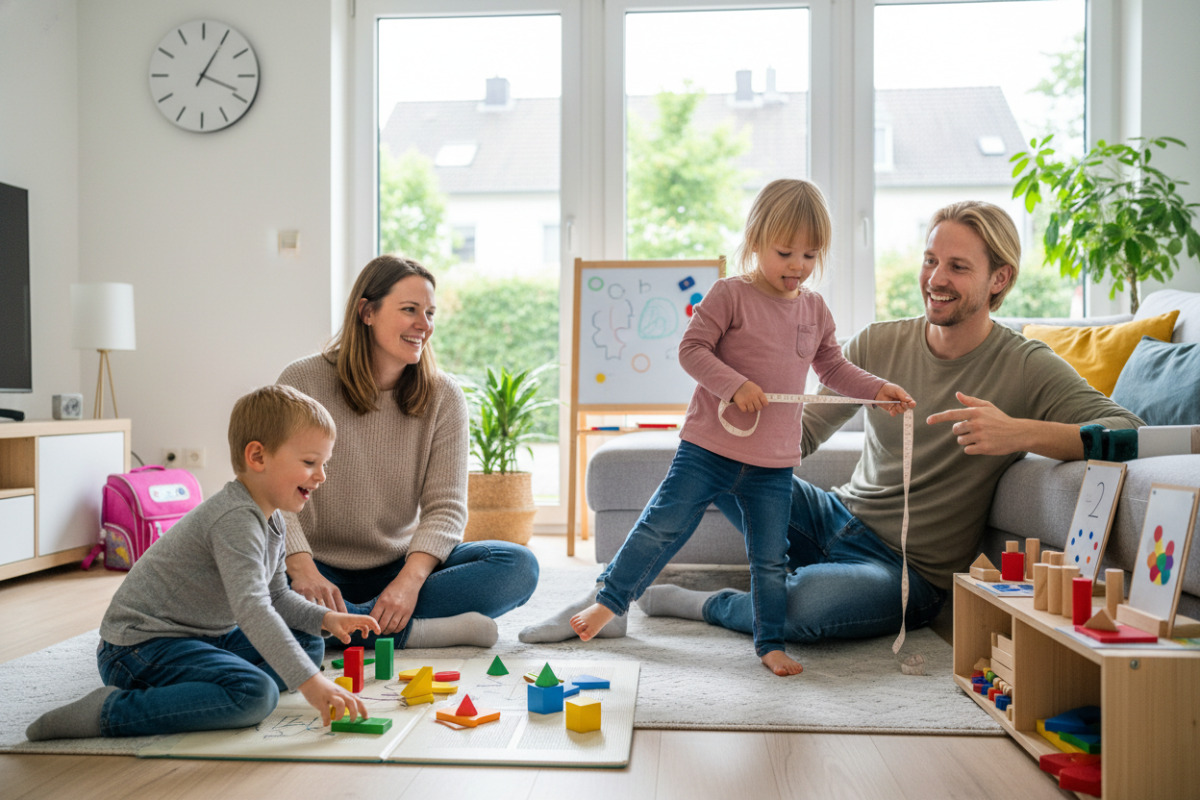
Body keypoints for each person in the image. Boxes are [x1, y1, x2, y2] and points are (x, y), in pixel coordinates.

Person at [635, 200, 1144, 644]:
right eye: (930, 260)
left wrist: (1019, 432)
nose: (936, 279)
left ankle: (710, 603)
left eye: (958, 267)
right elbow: (801, 434)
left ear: (999, 279)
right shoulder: (878, 343)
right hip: (834, 516)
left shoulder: (1026, 366)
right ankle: (627, 587)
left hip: (905, 572)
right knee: (714, 464)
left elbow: (1129, 431)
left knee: (805, 609)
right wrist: (728, 405)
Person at [559, 179, 915, 676]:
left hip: (773, 464)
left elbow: (833, 367)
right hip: (708, 448)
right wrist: (733, 385)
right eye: (785, 252)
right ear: (755, 241)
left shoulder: (814, 309)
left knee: (770, 559)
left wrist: (877, 390)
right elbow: (691, 350)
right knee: (663, 523)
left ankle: (770, 644)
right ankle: (611, 601)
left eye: (810, 255)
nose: (797, 265)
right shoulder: (730, 294)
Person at [26, 385, 381, 741]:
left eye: (324, 464)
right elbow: (254, 609)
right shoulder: (235, 518)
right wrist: (311, 682)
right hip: (139, 648)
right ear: (257, 457)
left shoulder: (273, 519)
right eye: (309, 463)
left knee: (309, 642)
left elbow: (277, 597)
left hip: (206, 636)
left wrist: (326, 619)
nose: (321, 476)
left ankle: (208, 689)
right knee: (255, 695)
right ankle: (109, 711)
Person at [277, 254, 539, 651]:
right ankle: (409, 632)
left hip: (400, 566)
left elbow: (446, 508)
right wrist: (300, 567)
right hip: (316, 567)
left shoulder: (444, 396)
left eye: (430, 313)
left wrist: (409, 582)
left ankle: (333, 628)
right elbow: (274, 488)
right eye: (409, 310)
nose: (424, 325)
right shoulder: (302, 380)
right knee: (237, 584)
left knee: (517, 567)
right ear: (367, 312)